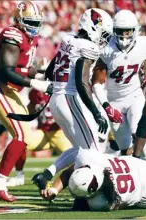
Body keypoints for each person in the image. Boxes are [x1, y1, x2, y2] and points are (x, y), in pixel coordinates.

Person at [32, 8, 113, 190]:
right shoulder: (88, 47)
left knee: (82, 148)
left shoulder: (68, 39)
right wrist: (95, 112)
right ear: (94, 28)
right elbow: (81, 82)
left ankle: (47, 174)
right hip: (70, 99)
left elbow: (51, 69)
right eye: (103, 33)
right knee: (94, 151)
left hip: (57, 100)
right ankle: (89, 192)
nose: (103, 39)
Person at [0, 0, 53, 202]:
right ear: (19, 20)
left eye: (37, 22)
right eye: (30, 21)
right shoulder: (12, 35)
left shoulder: (31, 37)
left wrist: (40, 72)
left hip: (11, 91)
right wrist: (36, 84)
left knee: (24, 138)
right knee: (20, 135)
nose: (35, 26)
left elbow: (23, 67)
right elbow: (7, 71)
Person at [92, 10, 146, 162]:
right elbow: (97, 83)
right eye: (120, 31)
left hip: (135, 96)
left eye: (128, 31)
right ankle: (133, 177)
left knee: (138, 131)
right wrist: (107, 107)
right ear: (113, 30)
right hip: (114, 101)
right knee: (125, 148)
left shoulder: (145, 45)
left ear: (135, 30)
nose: (125, 35)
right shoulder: (106, 49)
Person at [40, 149, 146, 211]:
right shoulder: (90, 159)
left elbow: (119, 205)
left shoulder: (102, 201)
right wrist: (54, 190)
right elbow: (68, 173)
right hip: (138, 163)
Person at [7, 89, 72, 187]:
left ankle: (75, 182)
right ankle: (18, 176)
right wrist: (8, 115)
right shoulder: (34, 93)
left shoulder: (59, 89)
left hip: (59, 132)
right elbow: (28, 111)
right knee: (21, 142)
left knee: (75, 158)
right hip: (44, 133)